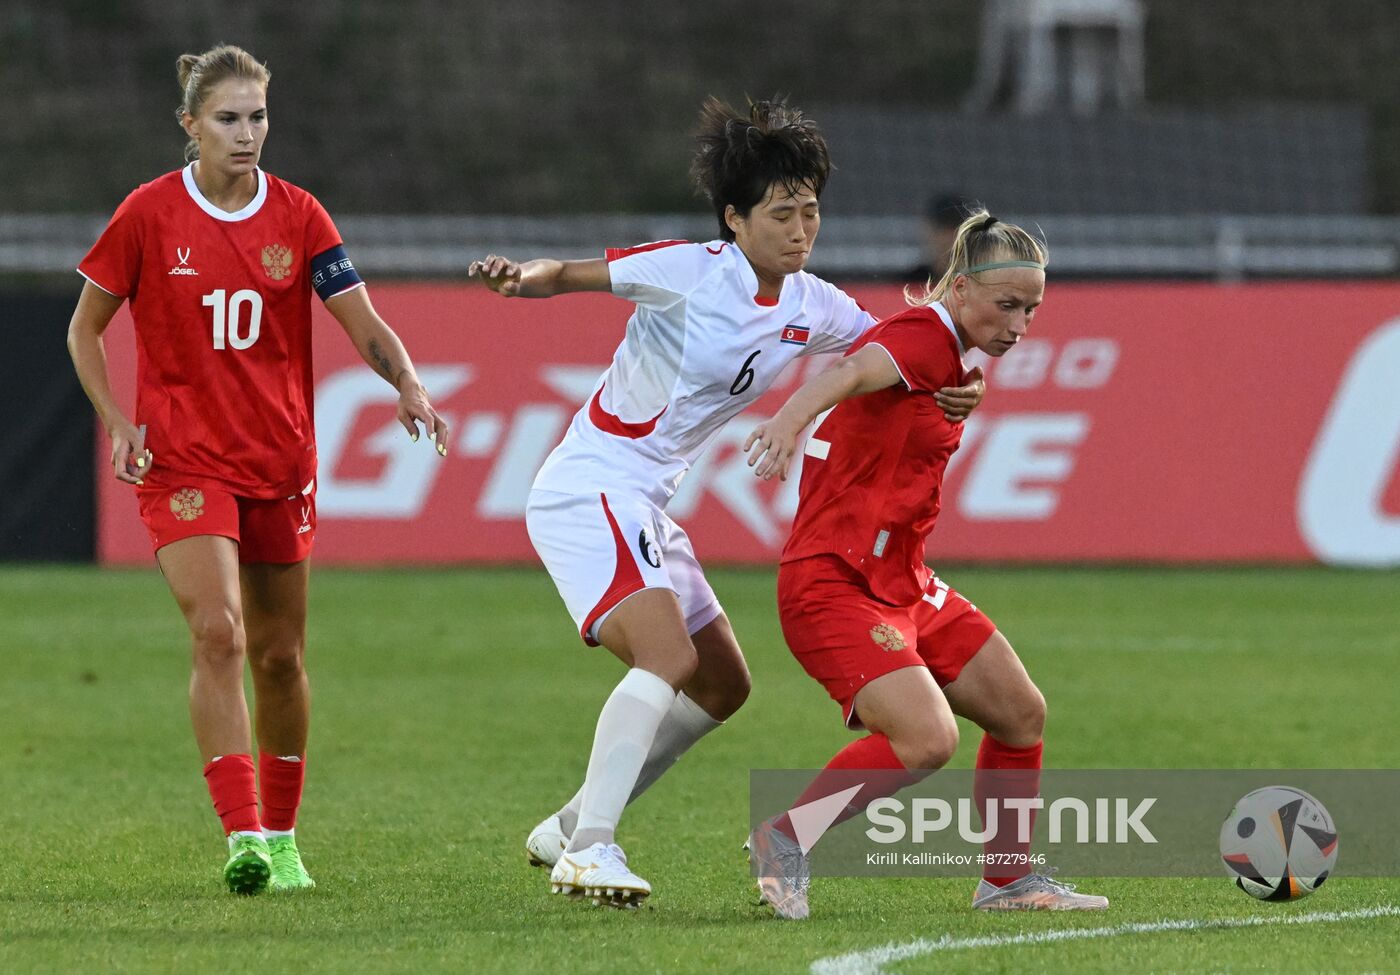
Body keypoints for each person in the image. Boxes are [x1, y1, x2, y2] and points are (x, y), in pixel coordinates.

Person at [468, 97, 987, 909]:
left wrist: (964, 378)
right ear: (735, 219)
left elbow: (892, 347)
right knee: (665, 659)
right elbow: (569, 275)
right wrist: (517, 278)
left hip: (644, 499)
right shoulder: (692, 269)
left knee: (722, 685)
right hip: (591, 486)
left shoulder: (812, 303)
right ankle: (593, 847)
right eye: (781, 212)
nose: (800, 227)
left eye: (810, 209)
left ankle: (568, 824)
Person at [67, 45, 448, 895]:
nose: (248, 135)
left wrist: (409, 381)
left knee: (279, 656)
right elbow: (83, 329)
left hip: (279, 461)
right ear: (190, 125)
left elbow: (363, 321)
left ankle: (282, 838)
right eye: (229, 119)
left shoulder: (301, 215)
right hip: (183, 463)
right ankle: (241, 833)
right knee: (220, 634)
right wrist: (117, 419)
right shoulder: (148, 214)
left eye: (259, 117)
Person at [743, 209, 1108, 919]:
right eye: (1006, 305)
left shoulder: (949, 357)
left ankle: (1007, 880)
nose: (1019, 324)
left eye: (1031, 308)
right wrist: (790, 418)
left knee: (1019, 712)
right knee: (926, 738)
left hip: (903, 582)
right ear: (961, 289)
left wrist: (967, 393)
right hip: (835, 582)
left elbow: (906, 397)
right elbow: (851, 371)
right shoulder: (918, 337)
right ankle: (784, 839)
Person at [905, 192, 974, 284]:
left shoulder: (984, 282)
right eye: (942, 227)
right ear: (927, 231)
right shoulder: (908, 284)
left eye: (957, 227)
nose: (949, 237)